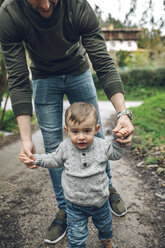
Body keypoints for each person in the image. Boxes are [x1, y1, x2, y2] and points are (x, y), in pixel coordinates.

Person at [0, 0, 134, 244]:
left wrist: (124, 113)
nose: (47, 5)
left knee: (96, 139)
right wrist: (26, 138)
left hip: (78, 71)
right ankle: (67, 208)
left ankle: (106, 191)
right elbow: (19, 80)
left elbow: (102, 62)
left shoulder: (77, 5)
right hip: (42, 77)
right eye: (37, 1)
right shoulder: (9, 13)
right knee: (54, 147)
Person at [20, 102, 128, 248]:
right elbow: (53, 159)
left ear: (96, 129)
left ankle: (106, 239)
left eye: (87, 131)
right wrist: (36, 159)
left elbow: (115, 154)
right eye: (75, 132)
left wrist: (118, 141)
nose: (81, 137)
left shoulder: (102, 145)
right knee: (76, 237)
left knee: (105, 226)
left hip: (100, 202)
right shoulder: (65, 148)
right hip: (75, 205)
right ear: (67, 130)